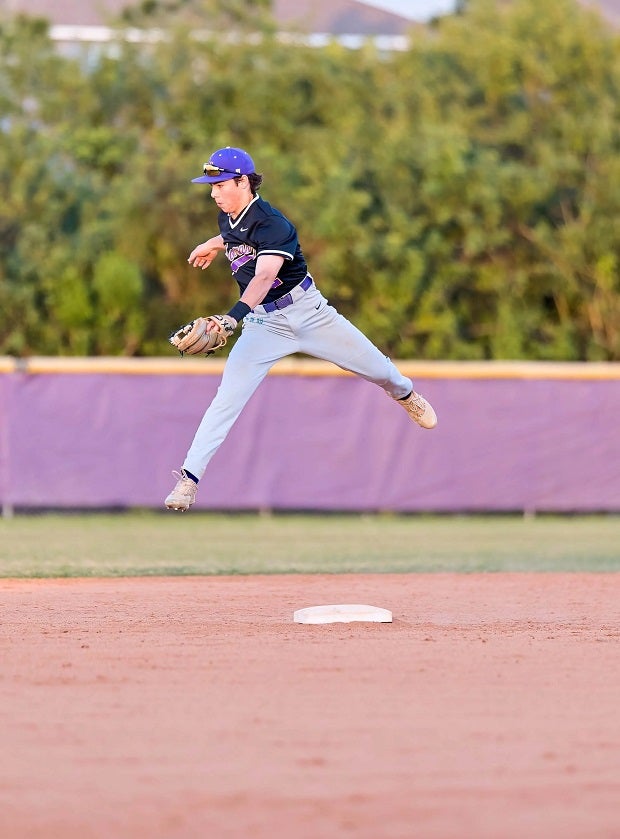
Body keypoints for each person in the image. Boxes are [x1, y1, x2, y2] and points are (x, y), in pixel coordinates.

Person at [165, 146, 437, 511]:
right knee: (226, 400)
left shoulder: (274, 224)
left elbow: (263, 276)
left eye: (219, 184)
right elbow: (235, 238)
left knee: (379, 370)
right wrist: (212, 245)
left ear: (242, 181)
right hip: (265, 324)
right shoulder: (227, 217)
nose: (213, 192)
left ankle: (406, 395)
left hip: (309, 314)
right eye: (211, 185)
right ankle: (189, 480)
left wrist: (231, 317)